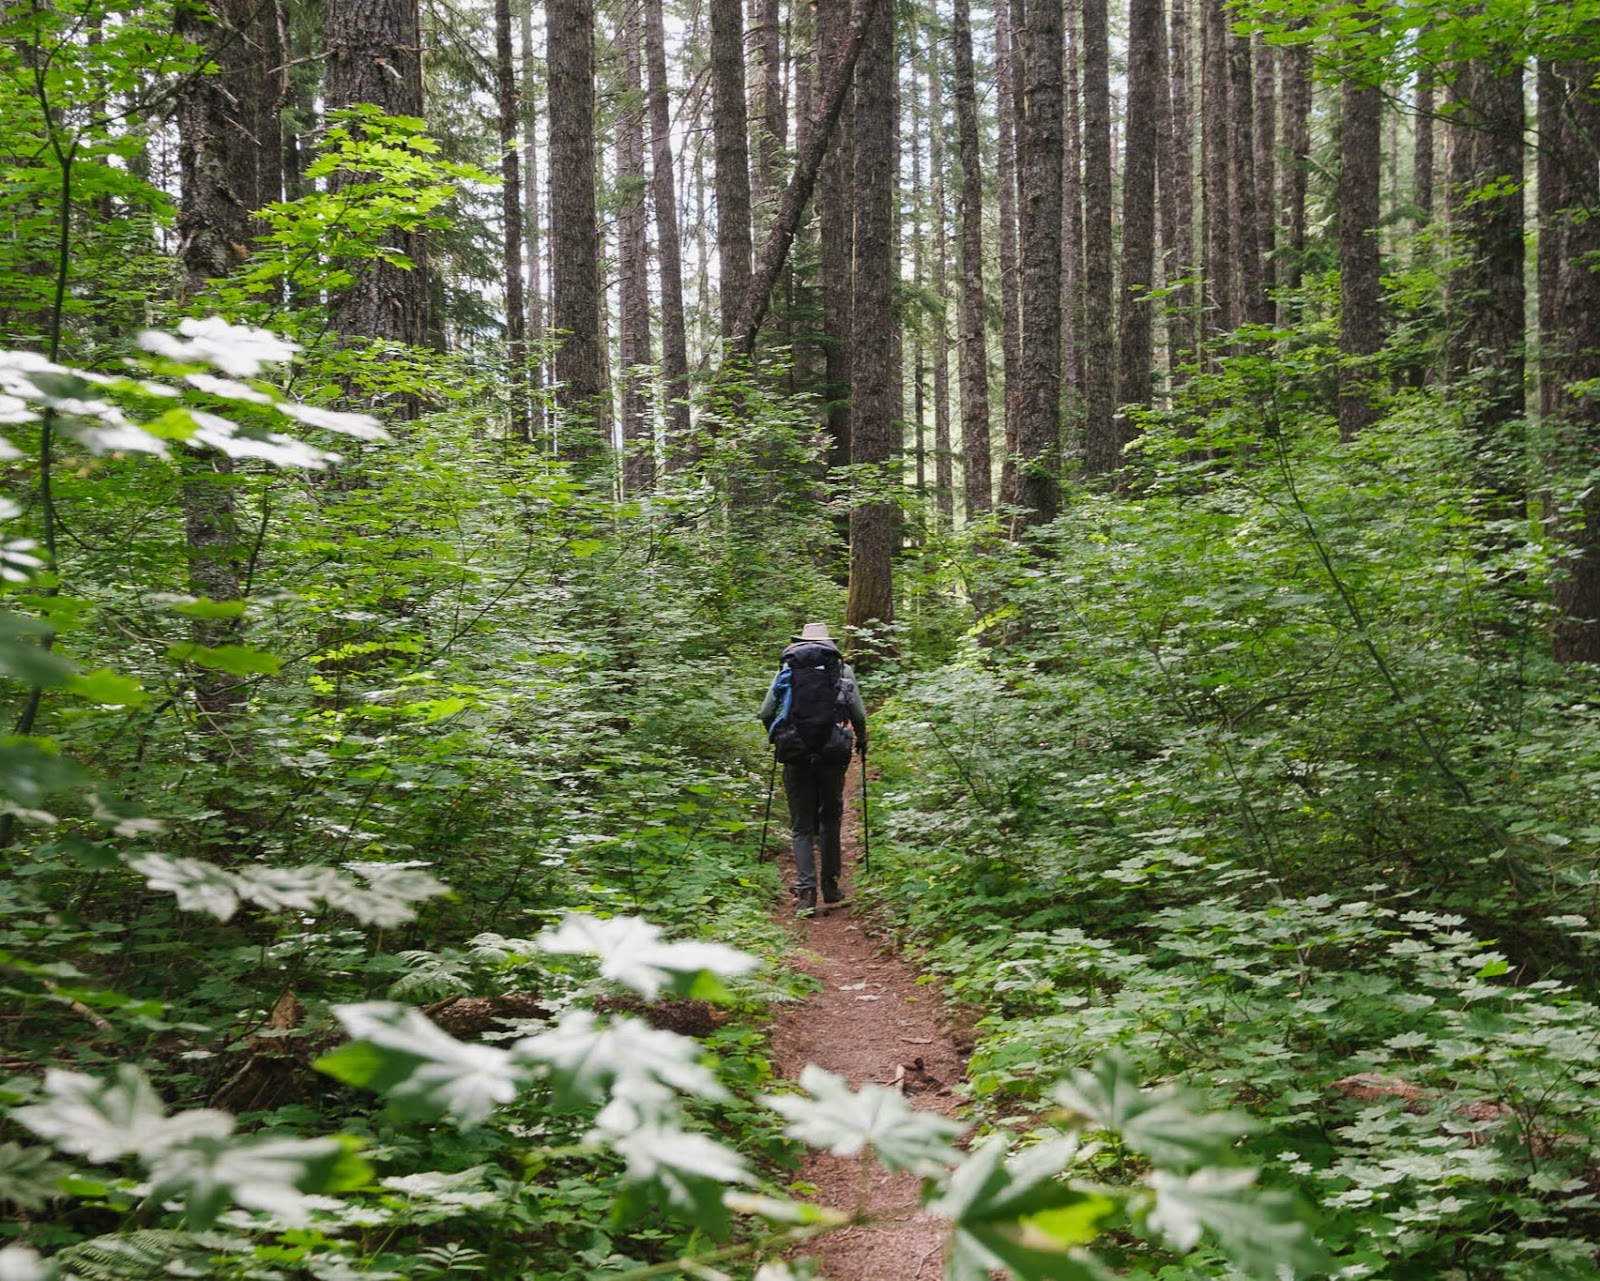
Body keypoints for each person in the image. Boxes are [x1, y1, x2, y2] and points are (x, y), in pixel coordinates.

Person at [758, 622, 868, 916]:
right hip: (832, 752)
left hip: (795, 753)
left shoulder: (787, 669)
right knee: (830, 822)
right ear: (829, 643)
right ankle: (831, 886)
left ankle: (807, 894)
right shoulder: (841, 669)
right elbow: (857, 712)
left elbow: (766, 712)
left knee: (801, 826)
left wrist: (779, 735)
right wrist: (862, 739)